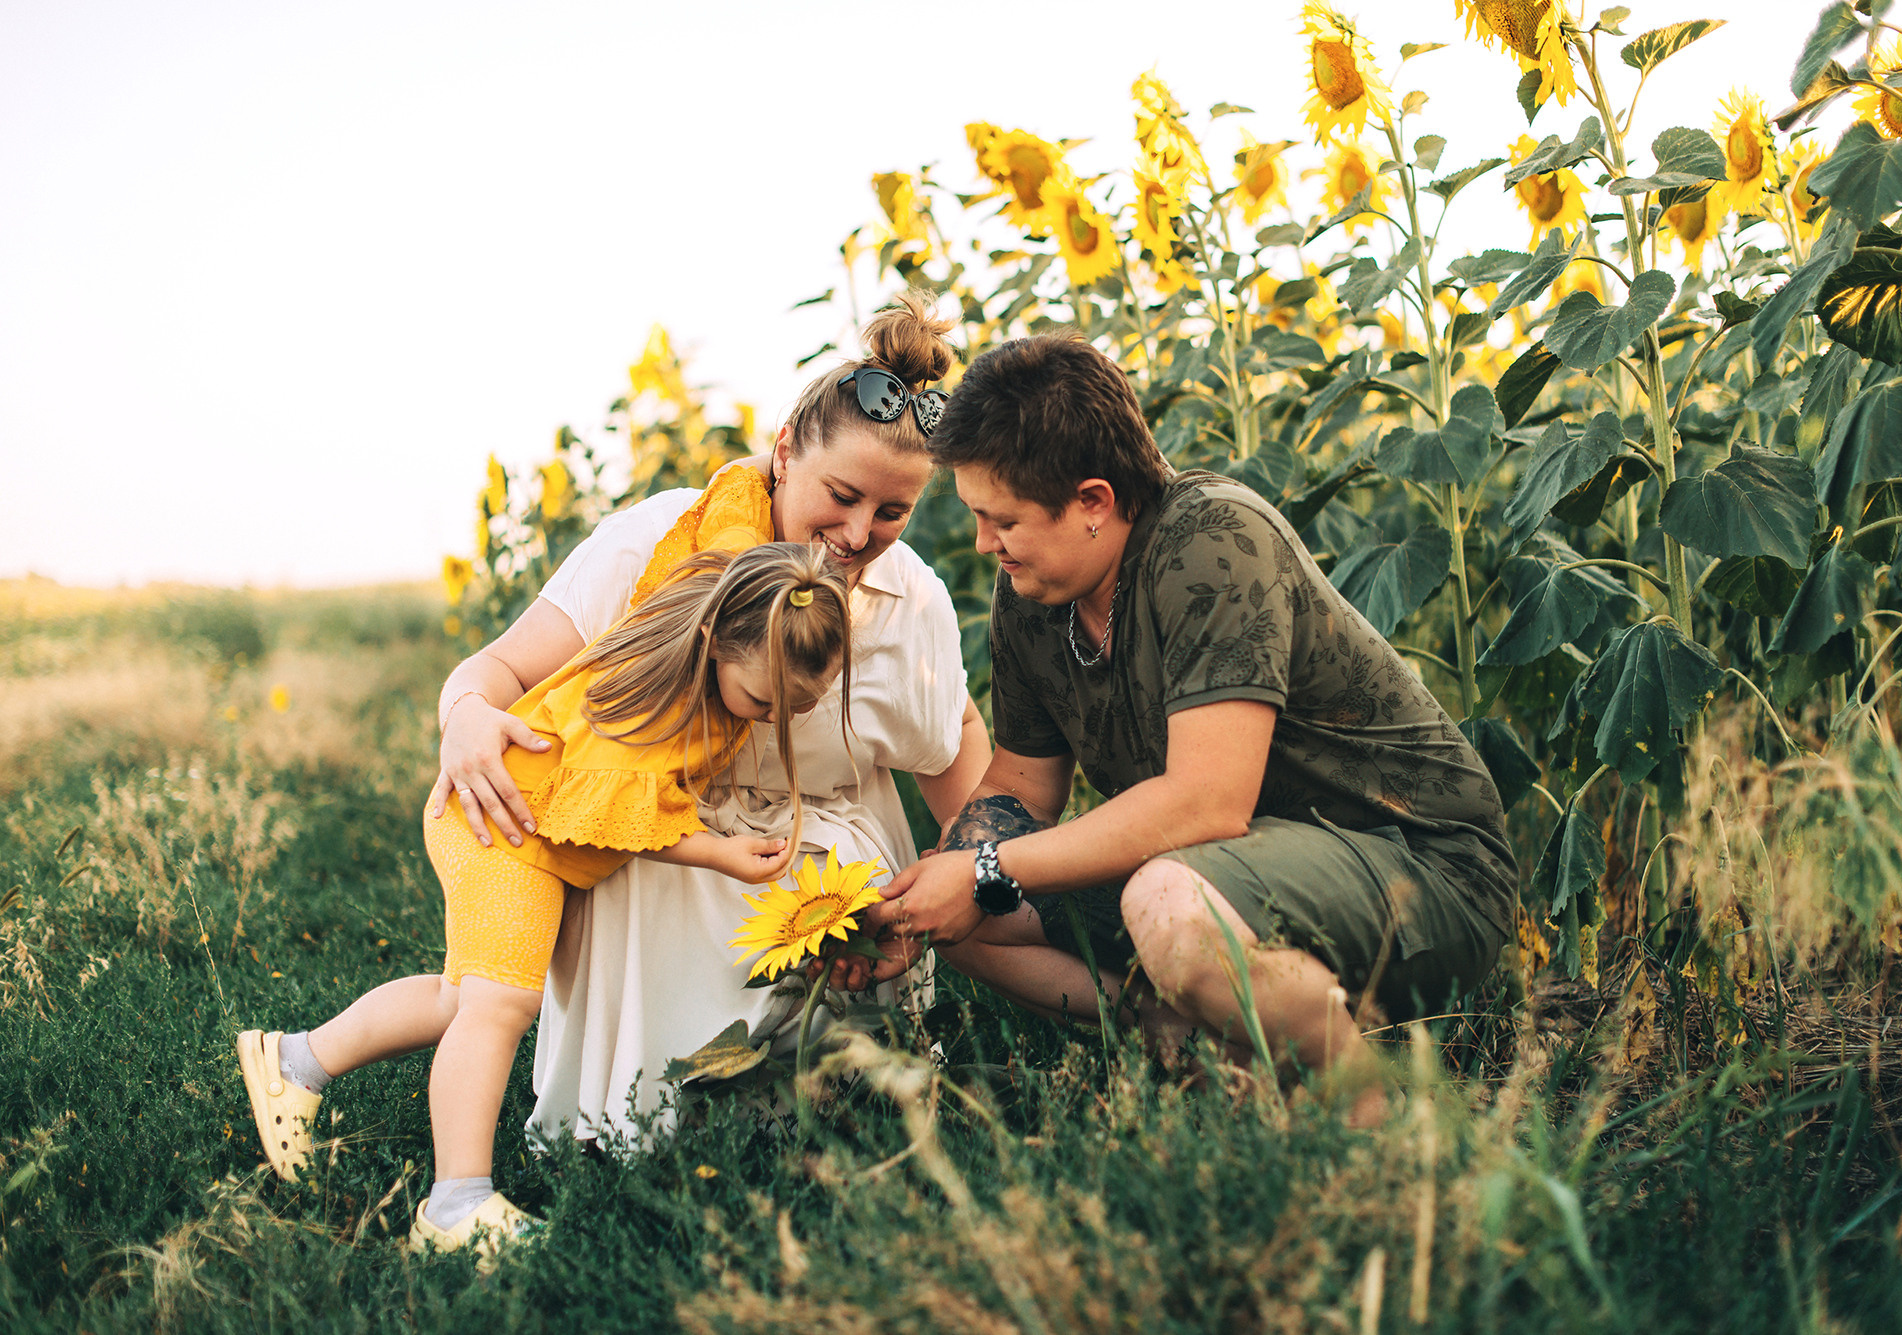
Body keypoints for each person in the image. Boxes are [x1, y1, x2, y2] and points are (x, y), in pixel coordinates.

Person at [847, 330, 1518, 1088]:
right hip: (1220, 873)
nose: (982, 543)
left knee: (1160, 902)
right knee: (968, 913)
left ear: (1093, 502)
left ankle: (1366, 1116)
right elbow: (1022, 785)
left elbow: (1209, 802)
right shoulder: (1032, 589)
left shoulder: (1212, 539)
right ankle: (1194, 1043)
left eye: (1003, 520)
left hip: (1416, 867)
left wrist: (984, 869)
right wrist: (937, 885)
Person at [436, 294, 987, 1152]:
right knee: (651, 1069)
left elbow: (967, 778)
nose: (856, 534)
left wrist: (949, 890)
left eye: (892, 513)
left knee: (839, 1099)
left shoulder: (907, 597)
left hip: (824, 867)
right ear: (784, 452)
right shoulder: (663, 544)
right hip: (661, 840)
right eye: (842, 496)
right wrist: (466, 716)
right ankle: (640, 1120)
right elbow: (497, 670)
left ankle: (821, 1090)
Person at [237, 542, 852, 1262]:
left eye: (797, 706)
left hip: (515, 827)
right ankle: (455, 1203)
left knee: (459, 998)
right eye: (765, 701)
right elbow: (615, 811)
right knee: (500, 1005)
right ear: (717, 639)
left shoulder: (714, 674)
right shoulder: (653, 697)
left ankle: (297, 1062)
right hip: (503, 825)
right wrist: (718, 851)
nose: (774, 716)